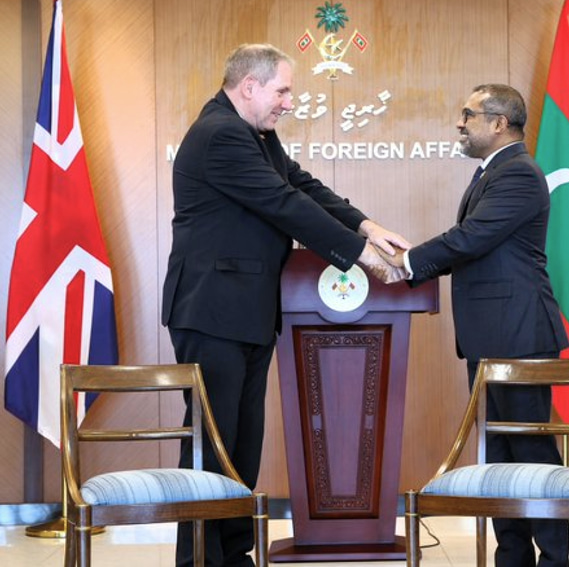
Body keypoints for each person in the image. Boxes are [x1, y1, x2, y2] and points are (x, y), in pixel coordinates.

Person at [161, 43, 408, 567]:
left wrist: (367, 227)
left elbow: (300, 185)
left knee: (242, 445)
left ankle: (233, 554)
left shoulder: (255, 134)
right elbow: (283, 204)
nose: (289, 103)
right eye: (283, 91)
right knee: (213, 445)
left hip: (247, 311)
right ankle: (199, 559)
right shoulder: (221, 134)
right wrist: (361, 257)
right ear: (249, 86)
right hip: (212, 311)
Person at [382, 84, 569, 566]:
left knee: (531, 453)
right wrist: (411, 266)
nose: (459, 123)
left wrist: (409, 262)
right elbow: (473, 244)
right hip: (491, 336)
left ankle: (554, 559)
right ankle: (513, 557)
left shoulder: (519, 173)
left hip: (520, 334)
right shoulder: (493, 171)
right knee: (500, 454)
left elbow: (472, 238)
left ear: (499, 123)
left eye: (468, 114)